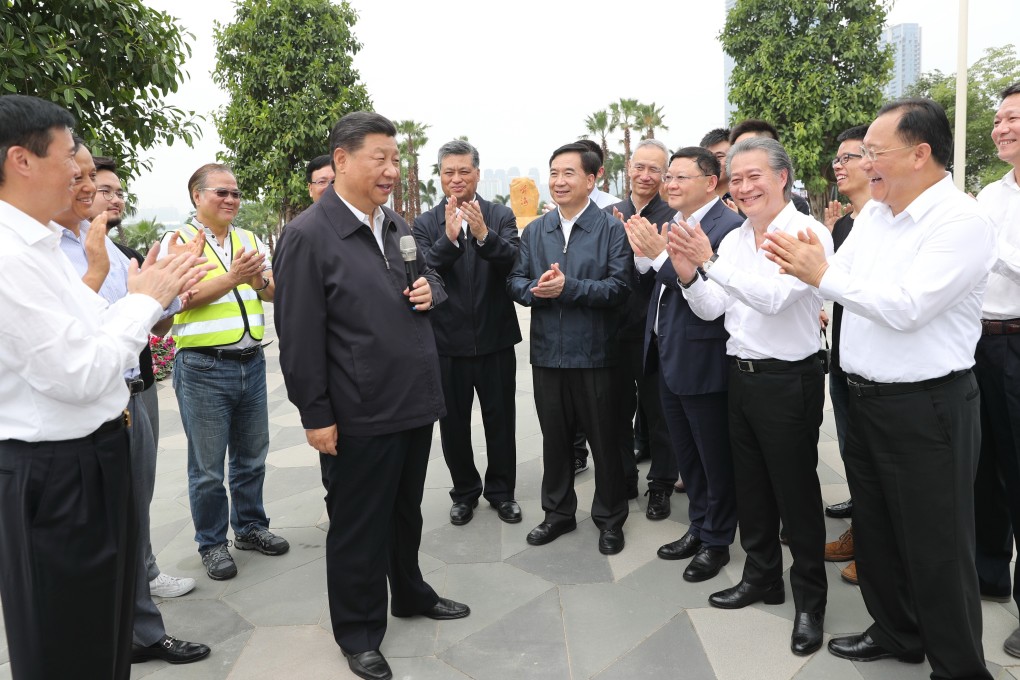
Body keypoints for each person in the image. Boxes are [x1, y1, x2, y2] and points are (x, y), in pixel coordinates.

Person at [765, 98, 996, 679]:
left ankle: (959, 668)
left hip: (928, 407)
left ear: (920, 154)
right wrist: (826, 273)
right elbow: (849, 282)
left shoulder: (961, 222)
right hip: (865, 398)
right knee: (879, 529)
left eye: (874, 152)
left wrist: (823, 274)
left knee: (937, 548)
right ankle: (897, 631)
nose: (863, 163)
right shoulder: (875, 216)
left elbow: (908, 307)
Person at [0, 93, 205, 680]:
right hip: (54, 472)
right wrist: (145, 300)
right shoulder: (10, 255)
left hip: (88, 456)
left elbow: (86, 328)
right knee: (68, 647)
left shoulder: (39, 243)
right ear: (22, 160)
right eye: (70, 156)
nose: (80, 173)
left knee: (103, 636)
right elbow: (80, 371)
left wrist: (144, 296)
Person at [273, 111, 469, 680]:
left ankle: (409, 591)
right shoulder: (308, 236)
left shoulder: (396, 224)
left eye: (395, 159)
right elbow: (298, 337)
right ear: (341, 160)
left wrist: (432, 290)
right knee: (359, 524)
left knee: (406, 510)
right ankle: (358, 631)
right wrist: (316, 415)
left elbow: (428, 281)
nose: (390, 170)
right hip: (358, 410)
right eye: (378, 158)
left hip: (413, 399)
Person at [668, 137, 832, 655]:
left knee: (795, 494)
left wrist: (709, 261)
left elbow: (775, 298)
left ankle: (810, 600)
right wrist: (688, 274)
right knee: (753, 488)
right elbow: (712, 308)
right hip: (740, 375)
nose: (743, 187)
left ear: (782, 177)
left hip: (788, 379)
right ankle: (762, 576)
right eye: (735, 179)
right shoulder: (739, 237)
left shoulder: (807, 233)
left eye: (753, 176)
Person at [58, 144, 209, 665]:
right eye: (83, 179)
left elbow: (150, 326)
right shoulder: (44, 252)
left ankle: (139, 631)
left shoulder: (110, 248)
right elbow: (73, 340)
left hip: (127, 395)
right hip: (79, 412)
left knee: (130, 514)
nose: (98, 193)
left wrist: (167, 291)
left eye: (106, 186)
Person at [159, 163, 288, 581]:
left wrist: (256, 281)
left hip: (251, 361)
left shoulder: (249, 239)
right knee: (208, 468)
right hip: (203, 367)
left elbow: (271, 290)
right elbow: (179, 298)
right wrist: (235, 277)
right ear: (197, 196)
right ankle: (212, 543)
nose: (231, 199)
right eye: (221, 192)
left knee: (252, 457)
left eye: (235, 193)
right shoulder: (177, 242)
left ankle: (250, 527)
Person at [507, 141, 632, 555]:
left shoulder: (611, 229)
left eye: (569, 173)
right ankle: (558, 513)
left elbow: (620, 288)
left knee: (605, 441)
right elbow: (515, 281)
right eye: (554, 173)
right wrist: (534, 289)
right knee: (555, 440)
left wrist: (569, 287)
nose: (558, 181)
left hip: (596, 355)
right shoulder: (536, 230)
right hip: (548, 355)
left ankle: (610, 519)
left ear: (592, 180)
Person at [628, 146, 742, 582]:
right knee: (687, 455)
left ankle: (717, 540)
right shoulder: (676, 221)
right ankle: (698, 525)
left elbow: (706, 295)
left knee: (713, 457)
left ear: (711, 182)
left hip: (703, 357)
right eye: (669, 177)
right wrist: (643, 251)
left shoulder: (728, 229)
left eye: (680, 177)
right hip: (668, 352)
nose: (669, 185)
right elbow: (657, 281)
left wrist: (659, 257)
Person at [92, 155, 199, 599]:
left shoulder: (126, 256)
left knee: (141, 489)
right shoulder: (70, 257)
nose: (115, 199)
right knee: (112, 498)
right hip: (104, 392)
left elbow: (158, 329)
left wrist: (171, 294)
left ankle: (145, 573)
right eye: (104, 190)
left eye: (119, 191)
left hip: (141, 386)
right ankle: (127, 591)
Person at [412, 140, 522, 526]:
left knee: (501, 421)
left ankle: (502, 492)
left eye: (464, 171)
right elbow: (423, 271)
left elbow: (514, 261)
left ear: (477, 172)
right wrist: (450, 239)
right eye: (449, 172)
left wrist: (483, 234)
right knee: (453, 425)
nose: (456, 178)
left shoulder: (500, 215)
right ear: (440, 176)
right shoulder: (425, 223)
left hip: (495, 338)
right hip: (446, 343)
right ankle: (464, 493)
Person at [607, 138, 678, 518]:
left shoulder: (673, 216)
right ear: (628, 168)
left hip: (657, 333)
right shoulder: (609, 214)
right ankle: (623, 478)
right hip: (614, 331)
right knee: (617, 412)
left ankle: (661, 485)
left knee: (660, 413)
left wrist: (648, 251)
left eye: (655, 169)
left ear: (665, 175)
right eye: (640, 167)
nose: (645, 175)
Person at [973, 82, 1020, 658]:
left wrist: (988, 244)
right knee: (984, 466)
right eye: (999, 118)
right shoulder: (991, 192)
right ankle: (989, 571)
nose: (1001, 128)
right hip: (979, 342)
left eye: (1013, 117)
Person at [817, 125, 871, 586]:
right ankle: (862, 531)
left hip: (878, 363)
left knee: (874, 457)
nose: (839, 166)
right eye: (837, 158)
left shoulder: (888, 221)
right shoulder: (852, 223)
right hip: (844, 351)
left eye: (848, 157)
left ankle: (874, 547)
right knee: (854, 449)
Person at [729, 119, 811, 215]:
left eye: (754, 176)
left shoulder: (797, 207)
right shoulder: (731, 204)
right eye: (737, 149)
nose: (745, 188)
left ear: (782, 176)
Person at [700, 128, 732, 202]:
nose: (712, 162)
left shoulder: (744, 197)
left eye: (719, 156)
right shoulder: (694, 199)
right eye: (706, 157)